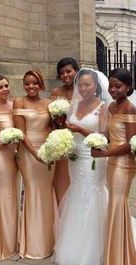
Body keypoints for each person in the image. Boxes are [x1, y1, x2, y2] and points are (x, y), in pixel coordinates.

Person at [54, 68, 109, 265]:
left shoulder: (103, 107)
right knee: (76, 192)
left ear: (96, 86)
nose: (84, 88)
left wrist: (80, 130)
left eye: (88, 84)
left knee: (92, 193)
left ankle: (93, 249)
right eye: (81, 84)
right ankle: (73, 244)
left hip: (92, 157)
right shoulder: (74, 105)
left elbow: (103, 135)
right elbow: (66, 128)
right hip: (75, 157)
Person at [92, 68, 136, 265]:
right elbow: (109, 134)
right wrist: (96, 141)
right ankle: (114, 255)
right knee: (114, 205)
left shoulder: (130, 108)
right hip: (111, 162)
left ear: (128, 87)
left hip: (124, 164)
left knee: (118, 204)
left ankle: (124, 258)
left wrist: (104, 152)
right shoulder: (111, 106)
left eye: (118, 86)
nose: (113, 90)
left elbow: (130, 145)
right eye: (111, 86)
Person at [13, 70, 57, 259]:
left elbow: (52, 128)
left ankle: (50, 241)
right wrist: (35, 154)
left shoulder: (49, 104)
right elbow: (21, 133)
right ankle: (33, 244)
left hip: (48, 152)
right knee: (33, 191)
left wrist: (52, 148)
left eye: (35, 83)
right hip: (28, 153)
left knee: (46, 191)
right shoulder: (19, 102)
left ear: (41, 85)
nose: (31, 87)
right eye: (27, 84)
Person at [0, 74, 19, 261]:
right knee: (4, 194)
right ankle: (3, 242)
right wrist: (3, 144)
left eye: (6, 86)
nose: (5, 89)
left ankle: (15, 237)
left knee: (14, 194)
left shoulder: (14, 105)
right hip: (1, 157)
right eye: (0, 87)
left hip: (16, 156)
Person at [50, 57, 79, 204]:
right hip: (61, 141)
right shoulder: (56, 92)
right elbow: (50, 119)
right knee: (62, 179)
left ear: (76, 71)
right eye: (62, 73)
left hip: (79, 140)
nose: (65, 75)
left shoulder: (84, 91)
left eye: (69, 71)